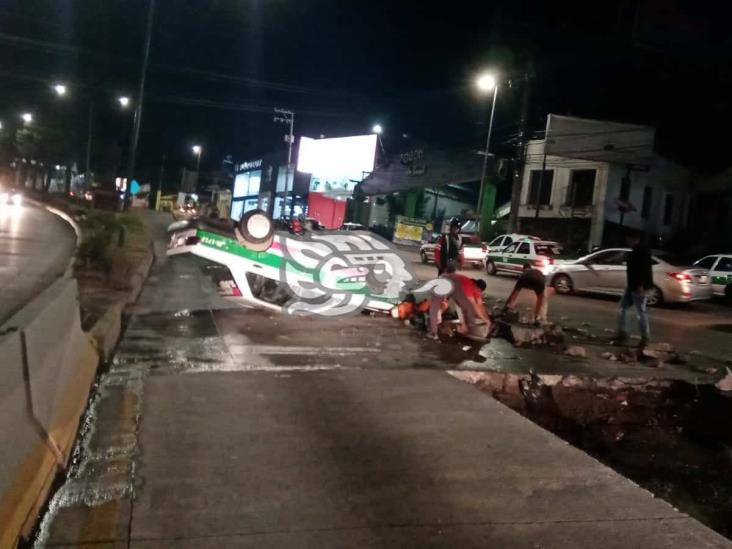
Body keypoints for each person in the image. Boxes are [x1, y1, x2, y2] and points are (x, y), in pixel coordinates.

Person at [613, 229, 653, 345]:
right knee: (622, 308)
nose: (627, 241)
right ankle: (622, 333)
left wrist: (641, 285)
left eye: (629, 239)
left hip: (638, 286)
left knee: (641, 312)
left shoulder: (642, 251)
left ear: (635, 239)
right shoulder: (636, 250)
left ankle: (645, 338)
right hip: (632, 286)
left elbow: (643, 269)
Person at [428, 273, 490, 339]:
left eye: (479, 292)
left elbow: (480, 305)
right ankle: (433, 332)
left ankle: (438, 323)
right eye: (478, 291)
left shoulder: (476, 290)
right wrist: (464, 323)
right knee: (437, 312)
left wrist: (487, 320)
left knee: (443, 307)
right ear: (476, 287)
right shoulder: (468, 286)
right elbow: (470, 306)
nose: (478, 293)